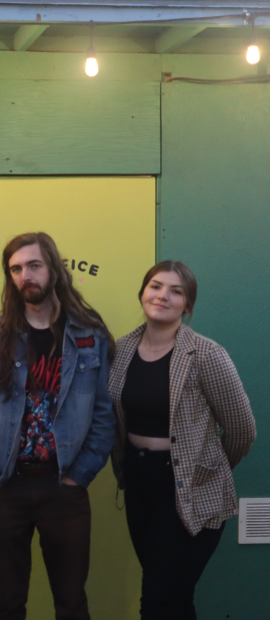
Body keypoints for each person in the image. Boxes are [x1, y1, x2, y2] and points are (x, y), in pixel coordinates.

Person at [0, 232, 115, 620]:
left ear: (53, 269)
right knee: (8, 604)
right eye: (16, 269)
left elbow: (104, 413)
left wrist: (80, 475)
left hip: (64, 486)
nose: (25, 276)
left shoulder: (89, 333)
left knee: (71, 603)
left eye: (33, 265)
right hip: (7, 486)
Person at [110, 261, 255, 620]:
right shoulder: (122, 349)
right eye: (156, 286)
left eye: (176, 291)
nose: (163, 296)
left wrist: (206, 470)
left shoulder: (206, 354)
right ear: (142, 293)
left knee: (157, 602)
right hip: (139, 484)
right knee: (174, 599)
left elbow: (242, 430)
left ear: (187, 305)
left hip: (188, 490)